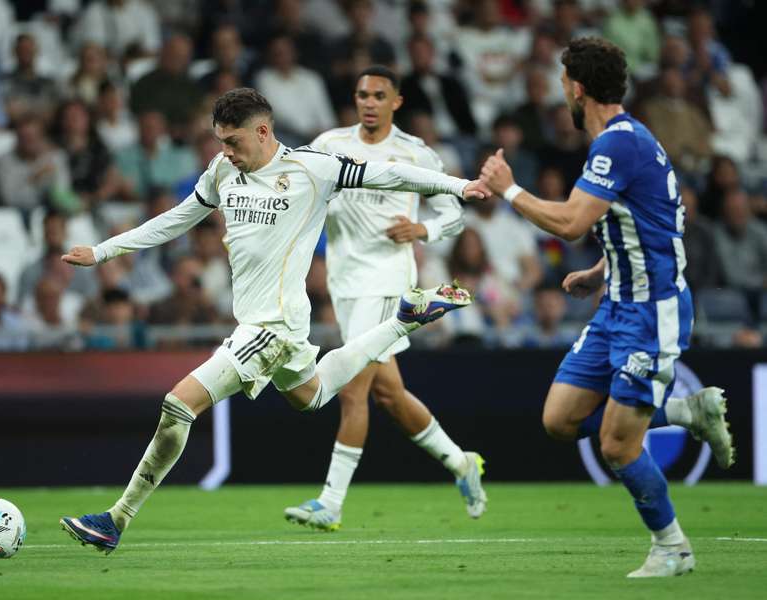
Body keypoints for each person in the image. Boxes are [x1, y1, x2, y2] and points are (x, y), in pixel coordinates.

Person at [59, 87, 490, 553]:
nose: (226, 151)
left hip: (270, 328)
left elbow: (389, 174)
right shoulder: (222, 170)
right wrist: (103, 251)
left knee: (178, 405)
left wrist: (457, 186)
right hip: (278, 324)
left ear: (263, 131)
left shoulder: (313, 169)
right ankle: (404, 320)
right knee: (313, 395)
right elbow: (177, 219)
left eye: (233, 141)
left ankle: (116, 519)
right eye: (221, 141)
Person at [478, 37, 735, 578]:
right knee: (559, 419)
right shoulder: (627, 139)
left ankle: (672, 547)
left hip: (652, 312)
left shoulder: (618, 144)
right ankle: (685, 413)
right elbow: (653, 221)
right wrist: (601, 270)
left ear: (577, 88)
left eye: (563, 83)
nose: (562, 93)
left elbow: (572, 223)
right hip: (616, 303)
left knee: (618, 446)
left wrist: (509, 190)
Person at [283, 66, 486, 532]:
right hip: (345, 282)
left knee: (352, 388)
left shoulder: (415, 153)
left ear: (397, 101)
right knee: (389, 394)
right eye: (362, 95)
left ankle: (331, 502)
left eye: (379, 95)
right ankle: (461, 463)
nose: (369, 103)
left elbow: (453, 214)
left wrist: (422, 229)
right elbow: (297, 188)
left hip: (387, 282)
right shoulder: (330, 144)